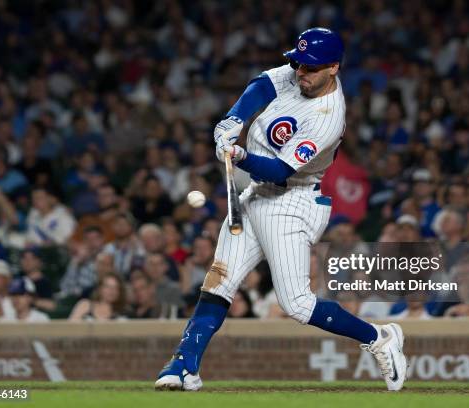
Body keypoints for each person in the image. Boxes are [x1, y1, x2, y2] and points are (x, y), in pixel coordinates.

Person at [156, 28, 406, 392]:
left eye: (310, 67)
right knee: (219, 279)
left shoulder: (327, 116)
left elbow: (280, 169)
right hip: (257, 193)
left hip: (292, 200)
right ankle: (183, 365)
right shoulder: (298, 75)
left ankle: (379, 337)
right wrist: (233, 120)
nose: (300, 72)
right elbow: (260, 85)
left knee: (298, 304)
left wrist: (238, 154)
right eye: (298, 63)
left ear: (333, 67)